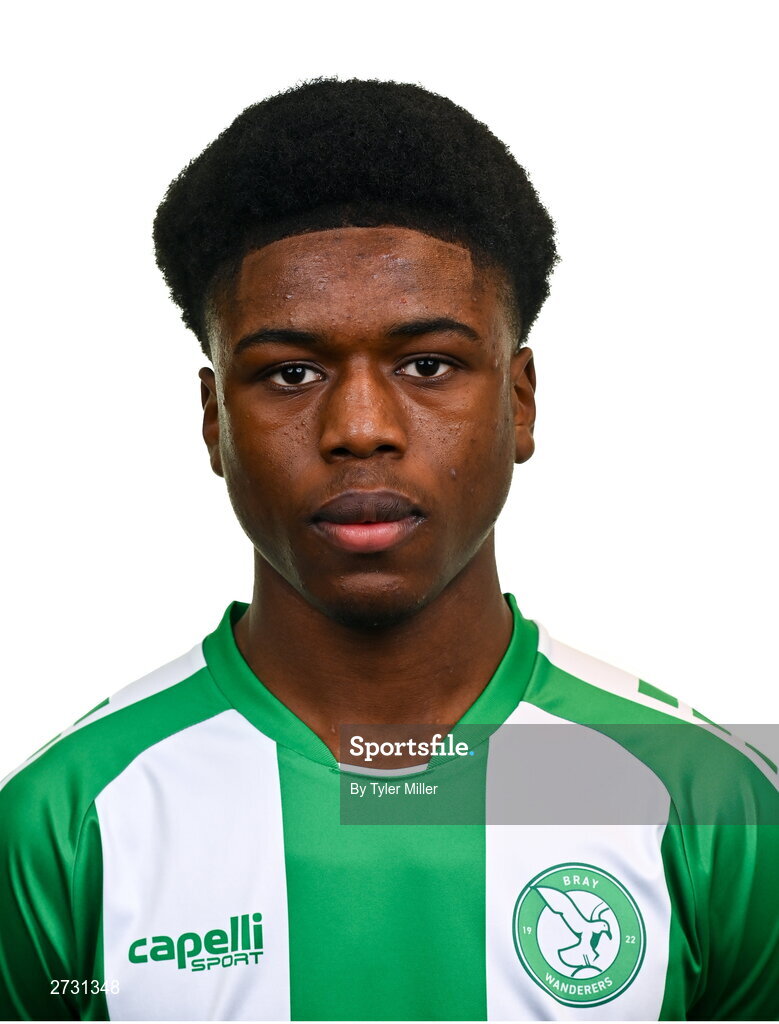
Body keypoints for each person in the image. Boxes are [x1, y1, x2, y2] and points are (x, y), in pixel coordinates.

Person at [0, 78, 776, 1022]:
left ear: (519, 401)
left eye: (427, 364)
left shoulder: (699, 797)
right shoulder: (69, 820)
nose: (360, 428)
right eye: (290, 372)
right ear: (213, 423)